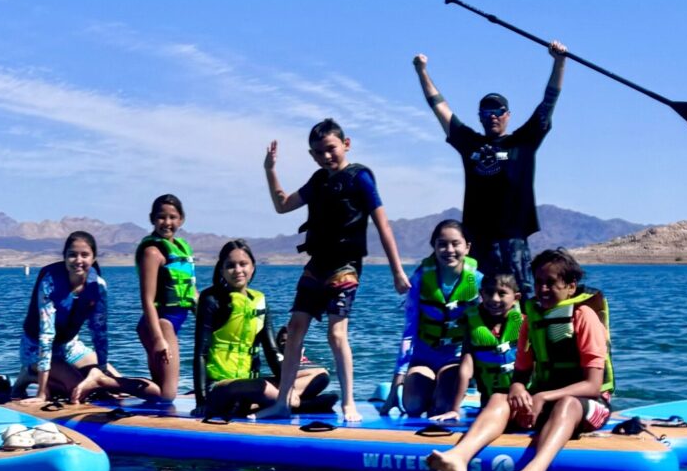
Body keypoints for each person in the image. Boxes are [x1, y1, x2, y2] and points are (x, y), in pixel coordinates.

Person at [257, 118, 410, 423]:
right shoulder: (317, 181)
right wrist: (270, 170)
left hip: (345, 267)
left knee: (336, 333)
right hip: (317, 265)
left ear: (346, 144)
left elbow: (383, 225)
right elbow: (283, 205)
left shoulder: (360, 178)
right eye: (318, 152)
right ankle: (283, 401)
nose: (326, 156)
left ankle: (348, 403)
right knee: (296, 326)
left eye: (330, 149)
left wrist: (397, 271)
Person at [427, 248, 613, 471]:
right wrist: (517, 389)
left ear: (571, 286)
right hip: (546, 401)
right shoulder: (531, 320)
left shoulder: (584, 317)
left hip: (590, 406)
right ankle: (459, 456)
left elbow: (593, 385)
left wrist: (542, 396)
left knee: (568, 403)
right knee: (499, 398)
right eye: (538, 283)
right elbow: (521, 375)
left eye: (551, 283)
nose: (543, 289)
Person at [412, 40, 567, 300]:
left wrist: (559, 62)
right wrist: (422, 72)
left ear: (508, 115)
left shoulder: (523, 142)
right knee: (477, 301)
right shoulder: (469, 142)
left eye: (498, 111)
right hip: (477, 240)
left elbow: (548, 101)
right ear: (480, 116)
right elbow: (440, 108)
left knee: (520, 300)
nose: (493, 115)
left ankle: (523, 341)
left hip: (513, 239)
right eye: (487, 111)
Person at [192, 239, 330, 418]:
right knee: (257, 387)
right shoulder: (211, 299)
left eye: (243, 264)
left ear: (253, 267)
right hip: (220, 387)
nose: (238, 270)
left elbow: (272, 351)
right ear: (221, 270)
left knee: (320, 375)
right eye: (231, 266)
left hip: (250, 384)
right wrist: (201, 401)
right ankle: (298, 403)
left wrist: (286, 382)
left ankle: (276, 399)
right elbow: (200, 353)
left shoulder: (259, 300)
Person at [379, 219, 480, 419]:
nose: (448, 249)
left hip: (455, 358)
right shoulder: (420, 279)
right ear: (434, 247)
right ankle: (427, 388)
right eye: (442, 244)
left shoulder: (478, 282)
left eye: (455, 243)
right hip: (424, 356)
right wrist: (395, 386)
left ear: (467, 247)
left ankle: (443, 391)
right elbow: (408, 332)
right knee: (413, 406)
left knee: (443, 407)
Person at [15, 231, 108, 403]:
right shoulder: (50, 282)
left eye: (85, 255)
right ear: (64, 257)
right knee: (77, 390)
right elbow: (46, 335)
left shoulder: (98, 286)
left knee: (108, 383)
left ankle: (60, 375)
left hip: (69, 347)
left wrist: (102, 371)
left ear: (94, 258)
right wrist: (42, 393)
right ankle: (29, 375)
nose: (78, 260)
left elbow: (99, 333)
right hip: (36, 348)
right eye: (72, 255)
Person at [133, 194, 197, 403]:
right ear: (152, 218)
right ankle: (105, 381)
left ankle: (149, 413)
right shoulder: (152, 253)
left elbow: (191, 293)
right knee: (167, 394)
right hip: (160, 325)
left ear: (181, 220)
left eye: (173, 217)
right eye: (161, 217)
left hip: (170, 323)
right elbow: (147, 300)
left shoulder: (180, 249)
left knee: (160, 389)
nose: (167, 222)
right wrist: (159, 338)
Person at [447, 272, 527, 417]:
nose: (494, 299)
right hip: (489, 401)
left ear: (516, 298)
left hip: (522, 399)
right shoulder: (473, 326)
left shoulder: (526, 325)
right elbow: (466, 368)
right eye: (489, 293)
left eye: (502, 293)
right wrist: (454, 409)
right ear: (481, 294)